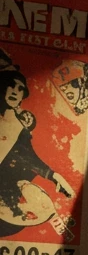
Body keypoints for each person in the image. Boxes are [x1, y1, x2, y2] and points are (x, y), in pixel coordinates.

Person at [0, 70, 74, 231]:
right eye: (10, 86)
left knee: (40, 206)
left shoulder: (19, 130)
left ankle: (62, 227)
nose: (15, 92)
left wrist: (55, 176)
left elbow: (29, 157)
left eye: (20, 90)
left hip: (5, 193)